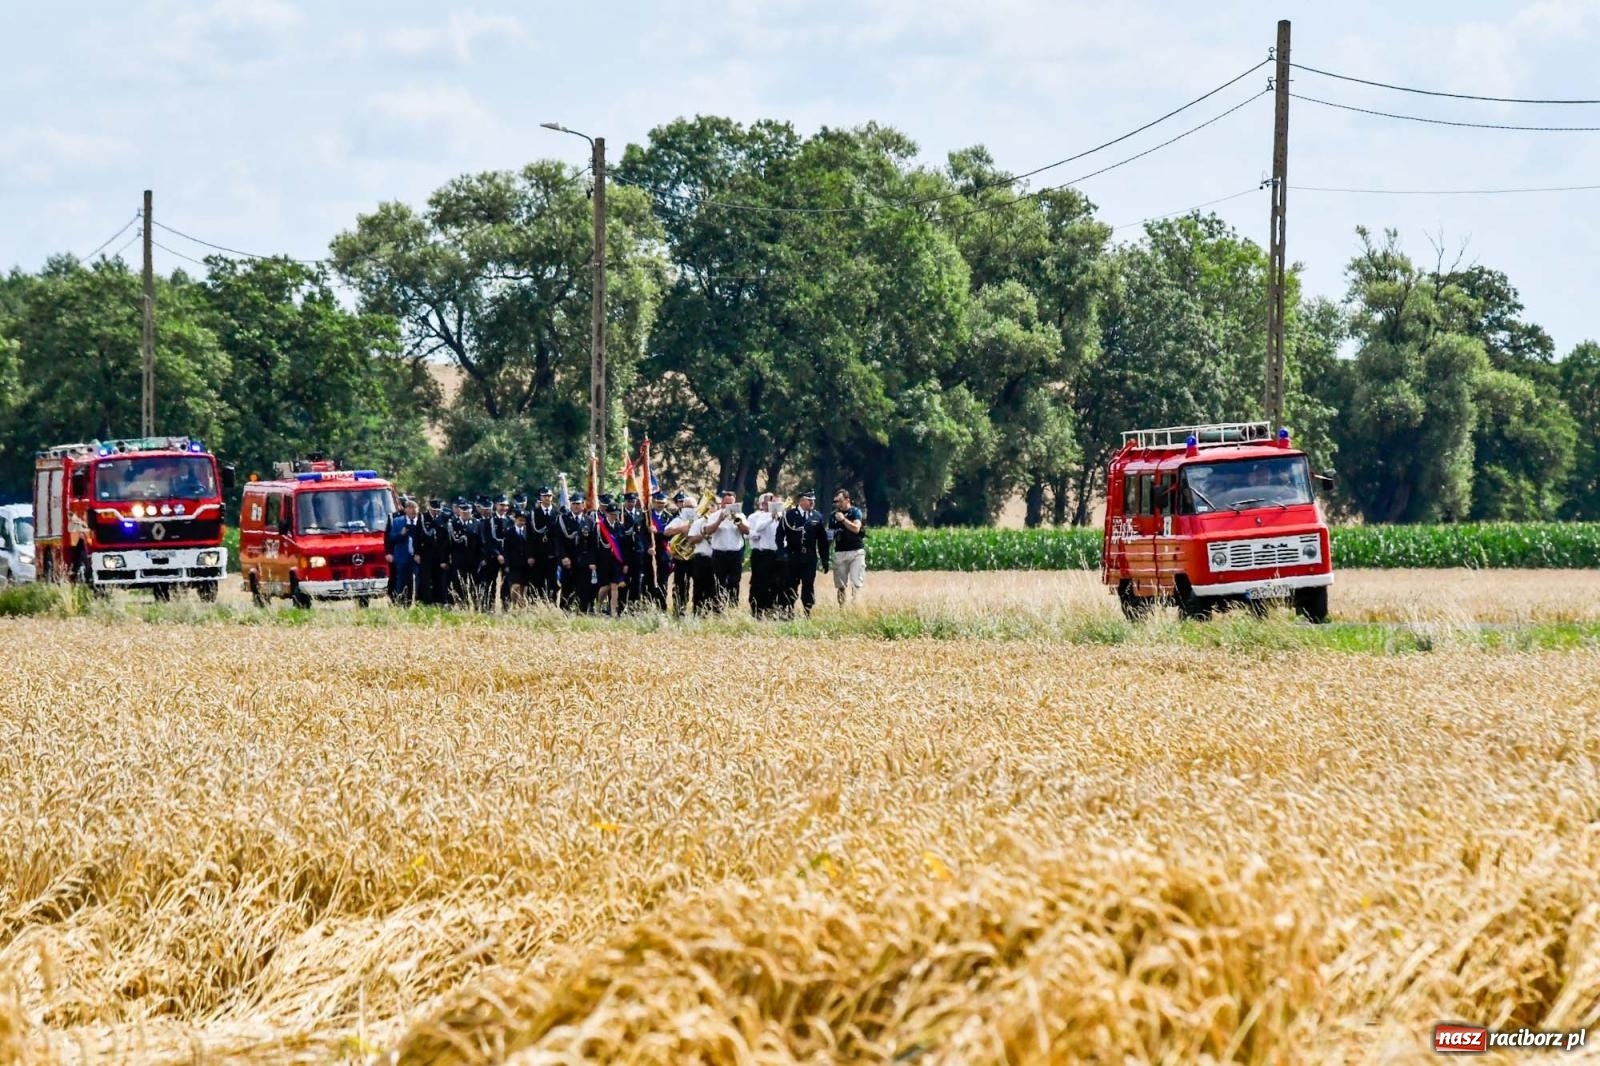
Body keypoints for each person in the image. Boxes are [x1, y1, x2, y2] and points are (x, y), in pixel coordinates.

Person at [779, 490, 830, 617]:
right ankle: (789, 610)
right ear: (801, 500)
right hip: (793, 556)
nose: (812, 502)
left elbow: (822, 540)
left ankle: (807, 611)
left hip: (809, 557)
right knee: (791, 584)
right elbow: (780, 535)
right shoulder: (789, 515)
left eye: (813, 500)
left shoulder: (817, 516)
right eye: (809, 500)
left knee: (808, 584)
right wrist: (781, 552)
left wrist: (825, 559)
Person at [704, 488, 749, 611]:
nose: (728, 505)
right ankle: (718, 608)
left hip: (735, 553)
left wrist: (737, 521)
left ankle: (732, 608)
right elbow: (708, 531)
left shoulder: (740, 515)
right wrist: (720, 520)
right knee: (718, 582)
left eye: (731, 503)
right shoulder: (714, 516)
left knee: (734, 582)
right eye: (726, 502)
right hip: (719, 553)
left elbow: (747, 531)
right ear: (722, 503)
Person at [745, 492, 783, 617]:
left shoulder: (784, 516)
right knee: (759, 583)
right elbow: (758, 529)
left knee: (776, 583)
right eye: (768, 502)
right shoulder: (761, 516)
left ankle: (771, 608)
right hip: (762, 554)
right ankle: (757, 609)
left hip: (777, 554)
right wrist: (771, 517)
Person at [556, 488, 595, 612]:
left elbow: (592, 544)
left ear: (583, 505)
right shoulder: (563, 519)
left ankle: (583, 614)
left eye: (578, 503)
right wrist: (563, 557)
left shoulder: (589, 521)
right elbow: (558, 541)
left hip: (584, 562)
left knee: (583, 589)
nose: (576, 506)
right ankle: (564, 613)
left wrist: (591, 561)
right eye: (573, 504)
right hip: (568, 561)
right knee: (567, 589)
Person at [828, 489, 866, 607]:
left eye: (840, 501)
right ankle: (842, 607)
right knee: (840, 585)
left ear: (847, 500)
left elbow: (856, 528)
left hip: (856, 551)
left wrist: (843, 520)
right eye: (836, 502)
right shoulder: (832, 516)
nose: (838, 504)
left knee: (856, 582)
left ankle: (856, 605)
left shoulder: (855, 512)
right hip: (840, 552)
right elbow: (830, 535)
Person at [664, 491, 697, 617]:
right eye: (687, 507)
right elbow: (666, 532)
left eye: (692, 507)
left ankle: (697, 609)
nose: (689, 509)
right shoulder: (679, 520)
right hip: (681, 558)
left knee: (699, 584)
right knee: (680, 585)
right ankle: (679, 609)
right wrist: (681, 529)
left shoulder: (699, 520)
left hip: (695, 557)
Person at [594, 496, 629, 615]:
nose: (615, 516)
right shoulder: (599, 527)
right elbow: (595, 546)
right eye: (612, 514)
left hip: (616, 562)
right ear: (607, 514)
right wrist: (593, 562)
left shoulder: (620, 526)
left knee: (615, 585)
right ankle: (598, 606)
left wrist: (624, 563)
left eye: (616, 514)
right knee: (605, 587)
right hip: (603, 561)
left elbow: (624, 547)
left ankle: (614, 611)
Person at [528, 486, 561, 604]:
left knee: (552, 582)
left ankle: (551, 604)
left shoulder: (557, 513)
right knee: (537, 580)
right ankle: (535, 605)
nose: (547, 498)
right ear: (540, 497)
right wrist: (530, 555)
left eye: (549, 496)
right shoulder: (533, 514)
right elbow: (530, 537)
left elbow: (559, 536)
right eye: (544, 496)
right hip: (538, 553)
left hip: (552, 553)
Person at [385, 498, 419, 606]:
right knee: (402, 581)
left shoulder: (421, 521)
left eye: (415, 508)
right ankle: (400, 603)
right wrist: (401, 534)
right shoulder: (397, 521)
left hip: (416, 556)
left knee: (416, 581)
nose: (413, 511)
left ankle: (415, 602)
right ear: (406, 510)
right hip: (402, 556)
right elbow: (391, 538)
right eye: (410, 508)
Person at [415, 498, 450, 605]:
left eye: (438, 510)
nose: (436, 512)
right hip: (426, 552)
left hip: (439, 553)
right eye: (434, 509)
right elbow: (417, 536)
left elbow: (446, 538)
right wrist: (417, 553)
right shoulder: (422, 517)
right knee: (425, 578)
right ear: (429, 508)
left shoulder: (444, 518)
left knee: (439, 578)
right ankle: (426, 600)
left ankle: (439, 600)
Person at [687, 499, 717, 616]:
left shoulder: (721, 522)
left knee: (713, 588)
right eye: (708, 506)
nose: (711, 509)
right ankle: (697, 613)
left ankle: (712, 613)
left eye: (713, 506)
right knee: (699, 587)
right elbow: (691, 541)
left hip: (716, 558)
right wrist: (703, 534)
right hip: (701, 558)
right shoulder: (698, 522)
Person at [644, 490, 672, 611]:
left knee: (663, 581)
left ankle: (662, 606)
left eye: (662, 502)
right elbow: (640, 535)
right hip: (649, 554)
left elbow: (670, 535)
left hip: (664, 554)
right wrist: (647, 548)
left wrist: (657, 532)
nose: (660, 504)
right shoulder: (646, 516)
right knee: (649, 580)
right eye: (658, 502)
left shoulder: (669, 517)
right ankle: (648, 605)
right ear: (653, 502)